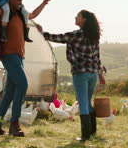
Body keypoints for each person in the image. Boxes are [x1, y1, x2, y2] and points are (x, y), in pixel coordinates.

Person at [0, 0, 53, 137]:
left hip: (19, 57)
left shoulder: (19, 14)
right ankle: (14, 124)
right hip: (9, 55)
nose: (20, 1)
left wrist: (46, 2)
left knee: (9, 93)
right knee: (23, 84)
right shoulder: (4, 12)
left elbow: (33, 15)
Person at [36, 10, 105, 142]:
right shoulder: (94, 36)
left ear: (84, 19)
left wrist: (42, 32)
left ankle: (85, 136)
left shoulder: (76, 35)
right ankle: (92, 132)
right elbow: (97, 56)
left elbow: (57, 37)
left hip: (80, 73)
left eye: (78, 16)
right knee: (87, 102)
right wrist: (100, 72)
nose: (75, 17)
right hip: (93, 73)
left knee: (83, 103)